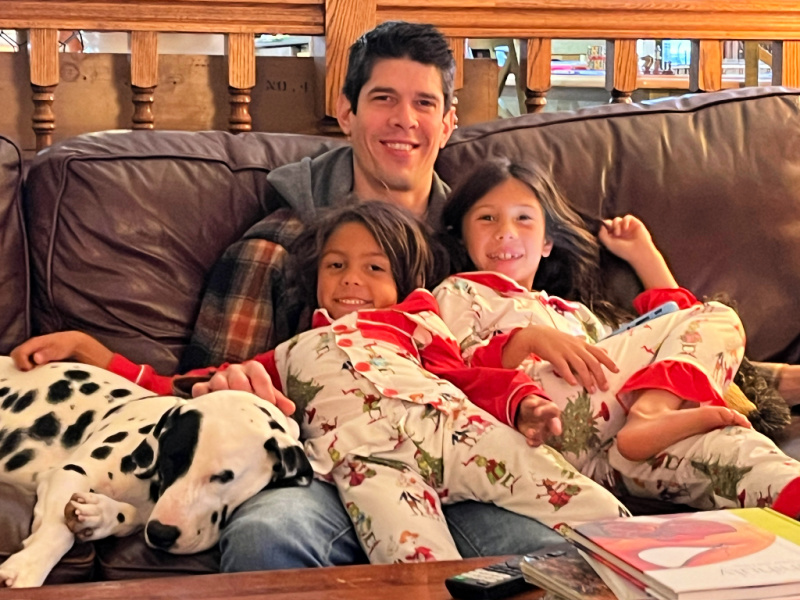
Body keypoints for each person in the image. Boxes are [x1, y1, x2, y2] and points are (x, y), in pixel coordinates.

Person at [12, 22, 565, 569]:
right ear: (346, 112)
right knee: (266, 538)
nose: (404, 119)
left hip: (460, 467)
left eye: (424, 102)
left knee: (560, 550)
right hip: (313, 475)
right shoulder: (274, 247)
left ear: (447, 123)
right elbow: (208, 399)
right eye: (383, 99)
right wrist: (111, 359)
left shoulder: (480, 244)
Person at [431, 158, 800, 517]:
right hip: (540, 416)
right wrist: (528, 340)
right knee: (717, 315)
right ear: (462, 239)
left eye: (523, 218)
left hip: (610, 460)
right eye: (487, 218)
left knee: (734, 448)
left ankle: (786, 491)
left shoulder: (578, 315)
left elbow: (677, 337)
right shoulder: (460, 291)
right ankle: (651, 413)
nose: (506, 231)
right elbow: (456, 371)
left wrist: (644, 254)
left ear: (547, 243)